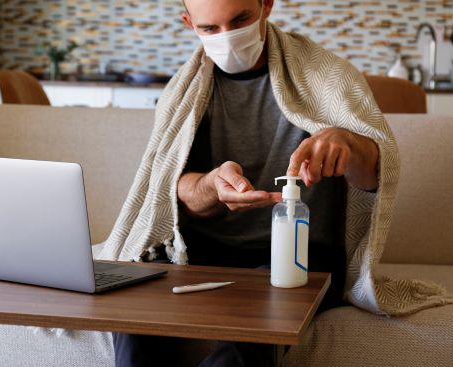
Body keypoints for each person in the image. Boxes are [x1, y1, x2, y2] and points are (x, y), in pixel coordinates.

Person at [112, 0, 382, 366]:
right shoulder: (184, 92)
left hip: (304, 251)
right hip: (204, 249)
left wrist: (348, 144)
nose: (229, 38)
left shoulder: (330, 76)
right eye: (210, 29)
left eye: (240, 19)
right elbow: (170, 194)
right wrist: (211, 186)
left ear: (266, 5)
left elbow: (377, 177)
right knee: (133, 310)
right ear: (189, 23)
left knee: (252, 332)